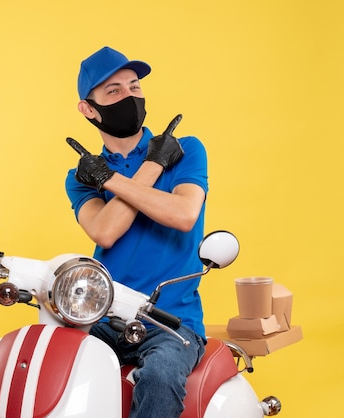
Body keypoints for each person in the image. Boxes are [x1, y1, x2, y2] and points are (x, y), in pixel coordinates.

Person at [65, 46, 209, 418]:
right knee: (52, 364)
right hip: (104, 315)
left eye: (134, 87)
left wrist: (117, 180)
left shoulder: (184, 150)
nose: (129, 96)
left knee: (161, 376)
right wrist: (148, 169)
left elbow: (183, 215)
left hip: (172, 321)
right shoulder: (81, 176)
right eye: (114, 91)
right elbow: (105, 231)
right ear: (89, 109)